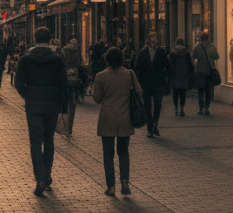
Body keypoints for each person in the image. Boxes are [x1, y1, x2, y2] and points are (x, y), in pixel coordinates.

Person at [14, 27, 68, 196]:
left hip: (34, 105)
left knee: (35, 142)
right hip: (51, 104)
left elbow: (18, 82)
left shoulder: (26, 59)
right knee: (49, 140)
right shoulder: (57, 59)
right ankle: (47, 174)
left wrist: (28, 95)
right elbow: (63, 84)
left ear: (34, 38)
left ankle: (40, 179)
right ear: (50, 39)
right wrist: (62, 106)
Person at [90, 46, 143, 196]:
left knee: (108, 154)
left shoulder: (101, 76)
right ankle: (125, 182)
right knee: (123, 152)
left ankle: (111, 186)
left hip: (107, 117)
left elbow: (97, 98)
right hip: (125, 117)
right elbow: (139, 92)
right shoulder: (129, 74)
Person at [133, 34, 171, 137]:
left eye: (156, 42)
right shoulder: (142, 53)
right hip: (146, 83)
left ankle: (155, 123)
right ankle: (150, 128)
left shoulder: (161, 52)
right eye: (153, 42)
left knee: (158, 104)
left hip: (158, 83)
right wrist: (140, 81)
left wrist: (165, 77)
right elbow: (137, 68)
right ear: (148, 42)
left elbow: (167, 66)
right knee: (147, 106)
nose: (155, 44)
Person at [59, 38, 85, 136]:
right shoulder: (77, 53)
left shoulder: (63, 51)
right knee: (72, 105)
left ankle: (63, 126)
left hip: (65, 80)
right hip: (75, 80)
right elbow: (80, 66)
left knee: (64, 103)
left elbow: (60, 66)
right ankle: (69, 127)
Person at [192, 33, 220, 115]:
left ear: (200, 39)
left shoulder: (197, 47)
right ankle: (207, 108)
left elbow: (193, 56)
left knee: (200, 91)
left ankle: (201, 108)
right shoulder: (212, 47)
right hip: (209, 71)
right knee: (209, 91)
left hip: (200, 71)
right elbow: (217, 57)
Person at [167, 38, 194, 117]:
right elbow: (190, 65)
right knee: (183, 93)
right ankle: (182, 108)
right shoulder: (186, 53)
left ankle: (176, 108)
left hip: (175, 75)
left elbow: (170, 65)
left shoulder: (172, 53)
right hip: (184, 75)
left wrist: (169, 75)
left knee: (175, 93)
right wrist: (191, 73)